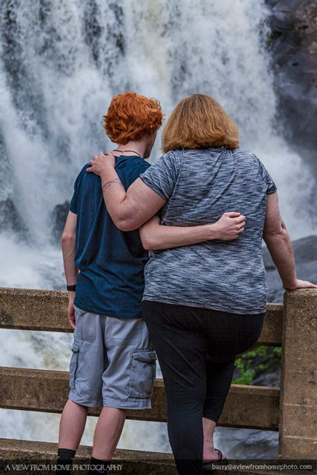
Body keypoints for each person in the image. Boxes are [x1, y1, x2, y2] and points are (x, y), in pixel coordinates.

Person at [88, 93, 317, 475]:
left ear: (175, 128)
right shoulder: (254, 165)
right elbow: (276, 231)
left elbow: (127, 216)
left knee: (183, 398)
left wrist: (109, 175)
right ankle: (207, 445)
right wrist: (291, 281)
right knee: (222, 354)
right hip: (239, 310)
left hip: (175, 304)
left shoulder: (171, 165)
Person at [57, 91, 245, 475]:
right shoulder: (149, 175)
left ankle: (61, 465)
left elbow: (67, 238)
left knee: (78, 394)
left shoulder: (88, 169)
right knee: (116, 397)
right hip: (130, 302)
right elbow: (152, 235)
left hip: (89, 298)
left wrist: (73, 290)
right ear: (154, 127)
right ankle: (98, 467)